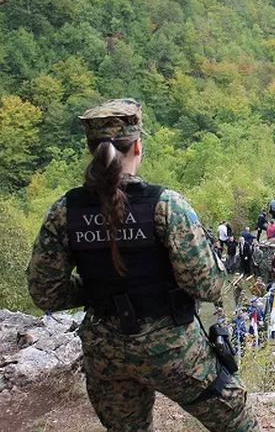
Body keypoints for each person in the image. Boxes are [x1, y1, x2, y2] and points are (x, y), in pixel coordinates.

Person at [26, 99, 258, 431]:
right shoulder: (166, 206)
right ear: (137, 145)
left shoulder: (65, 210)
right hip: (174, 348)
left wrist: (95, 290)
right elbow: (204, 284)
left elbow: (45, 293)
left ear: (92, 150)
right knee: (236, 419)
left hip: (106, 351)